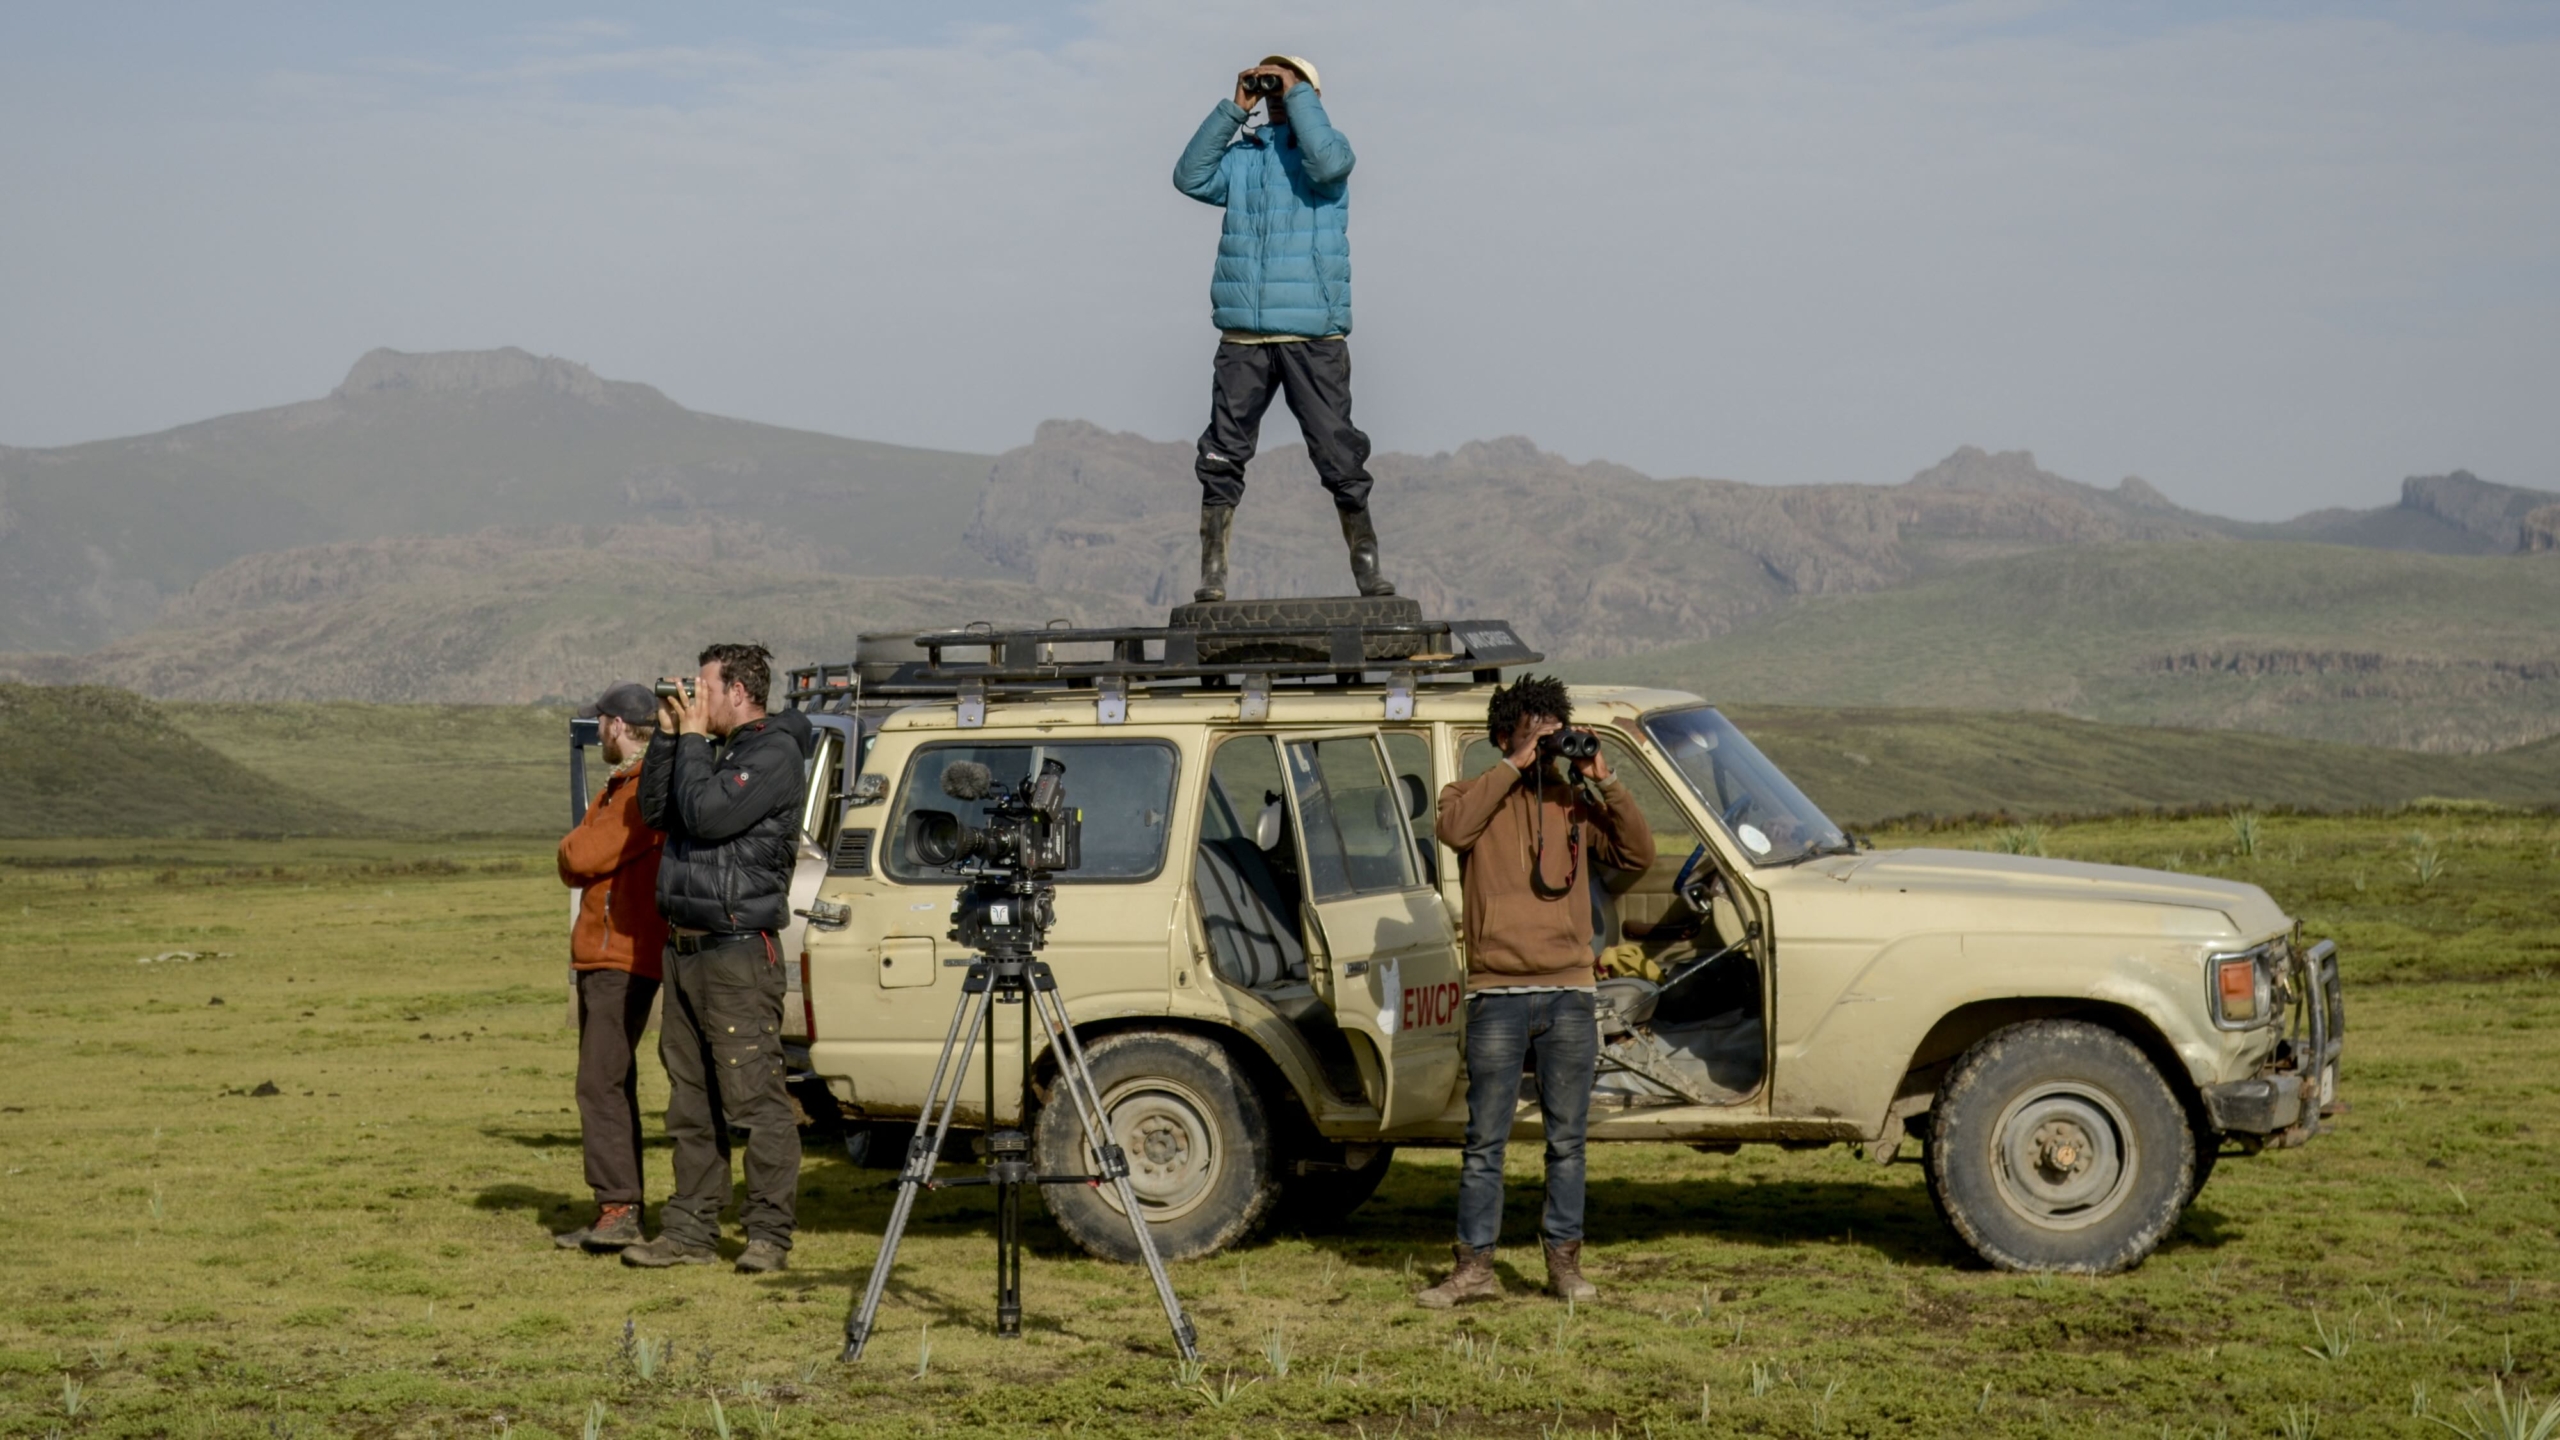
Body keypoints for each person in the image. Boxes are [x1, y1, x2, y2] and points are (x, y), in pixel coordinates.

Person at [1419, 675, 1654, 1307]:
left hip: (1570, 995)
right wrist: (1514, 764)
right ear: (1504, 735)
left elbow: (1637, 854)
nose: (1547, 744)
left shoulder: (1574, 802)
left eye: (1554, 730)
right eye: (1534, 731)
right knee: (1484, 1142)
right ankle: (1473, 1271)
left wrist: (1603, 778)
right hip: (1497, 995)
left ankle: (1564, 1267)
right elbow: (1455, 830)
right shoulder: (1467, 792)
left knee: (1567, 1142)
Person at [620, 643, 815, 1273]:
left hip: (736, 949)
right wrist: (672, 739)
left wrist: (697, 739)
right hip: (686, 945)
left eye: (702, 688)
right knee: (690, 1100)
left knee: (754, 1100)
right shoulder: (712, 750)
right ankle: (690, 1231)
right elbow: (657, 811)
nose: (693, 698)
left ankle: (767, 1236)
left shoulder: (773, 753)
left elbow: (704, 816)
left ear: (738, 691)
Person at [1172, 53, 1396, 603]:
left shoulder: (1330, 151)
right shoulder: (1243, 157)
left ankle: (1366, 566)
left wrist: (1297, 92)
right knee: (1221, 453)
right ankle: (1213, 570)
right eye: (1269, 85)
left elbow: (1325, 163)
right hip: (1244, 335)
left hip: (1312, 335)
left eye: (1285, 86)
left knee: (1338, 453)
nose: (1274, 93)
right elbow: (1189, 177)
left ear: (1309, 97)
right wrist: (1235, 107)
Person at [552, 682, 668, 1253]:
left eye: (599, 723)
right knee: (611, 1081)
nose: (596, 732)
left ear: (618, 725)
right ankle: (619, 1203)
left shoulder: (636, 791)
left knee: (600, 1083)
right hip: (615, 951)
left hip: (619, 953)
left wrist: (577, 842)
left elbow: (579, 856)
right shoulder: (629, 786)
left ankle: (618, 1207)